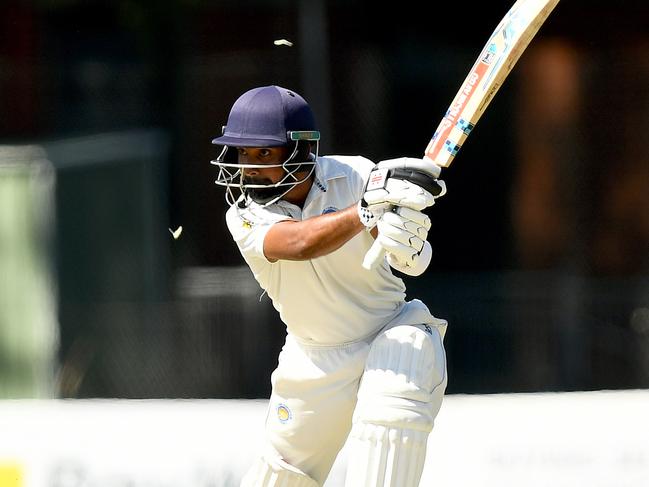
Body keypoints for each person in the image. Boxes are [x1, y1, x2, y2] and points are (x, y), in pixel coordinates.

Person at [211, 85, 448, 487]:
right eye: (243, 154)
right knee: (283, 477)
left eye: (263, 153)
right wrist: (368, 210)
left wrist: (405, 239)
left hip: (387, 329)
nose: (249, 167)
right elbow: (300, 242)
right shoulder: (244, 215)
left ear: (302, 151)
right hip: (313, 359)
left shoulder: (355, 174)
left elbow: (404, 255)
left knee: (400, 372)